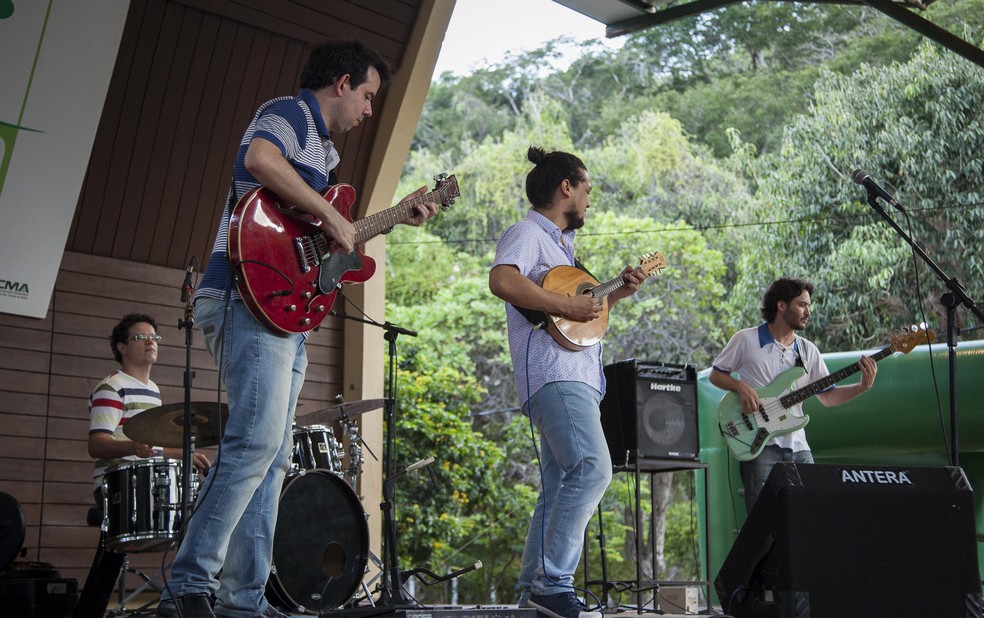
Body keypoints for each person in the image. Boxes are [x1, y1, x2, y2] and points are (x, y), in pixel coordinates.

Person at [157, 40, 440, 618]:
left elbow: (315, 248)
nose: (368, 110)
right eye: (367, 96)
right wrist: (338, 218)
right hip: (241, 295)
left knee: (274, 455)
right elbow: (261, 161)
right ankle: (187, 583)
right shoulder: (287, 113)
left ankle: (242, 599)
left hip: (285, 309)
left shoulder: (328, 158)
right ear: (341, 83)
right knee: (256, 443)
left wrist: (382, 222)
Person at [489, 146, 646, 618]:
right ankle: (553, 584)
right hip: (556, 378)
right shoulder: (528, 233)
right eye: (587, 190)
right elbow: (501, 280)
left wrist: (614, 294)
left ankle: (531, 595)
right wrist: (564, 305)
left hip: (575, 376)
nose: (588, 201)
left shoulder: (563, 250)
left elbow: (583, 324)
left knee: (559, 488)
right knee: (595, 469)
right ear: (566, 188)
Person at [75, 313, 210, 618]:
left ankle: (185, 595)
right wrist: (132, 447)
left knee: (201, 512)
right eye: (141, 337)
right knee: (112, 556)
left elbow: (151, 448)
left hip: (143, 484)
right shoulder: (112, 387)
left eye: (154, 337)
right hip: (116, 488)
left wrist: (182, 455)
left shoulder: (153, 390)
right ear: (122, 347)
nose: (151, 342)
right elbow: (96, 444)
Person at [709, 277, 877, 513]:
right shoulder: (745, 339)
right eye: (802, 305)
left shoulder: (808, 350)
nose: (808, 311)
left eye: (809, 305)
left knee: (809, 513)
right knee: (762, 518)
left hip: (799, 446)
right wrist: (741, 387)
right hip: (759, 445)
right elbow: (716, 375)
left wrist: (861, 387)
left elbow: (828, 397)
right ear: (781, 305)